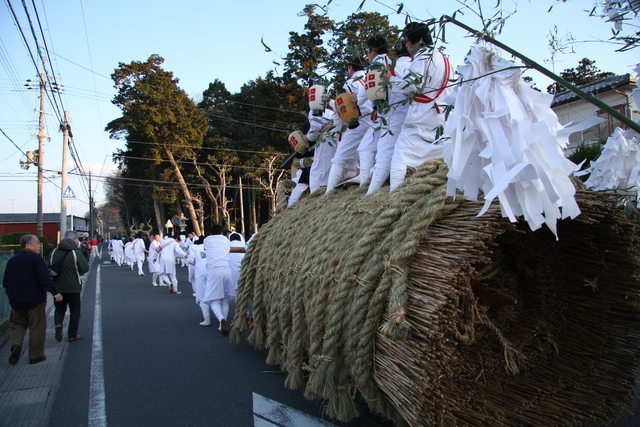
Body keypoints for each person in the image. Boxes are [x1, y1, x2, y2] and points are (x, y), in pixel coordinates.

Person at [384, 22, 454, 191]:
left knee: (401, 155)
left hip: (423, 114)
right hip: (443, 114)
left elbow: (413, 84)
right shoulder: (444, 58)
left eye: (409, 41)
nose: (407, 45)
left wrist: (390, 80)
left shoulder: (423, 56)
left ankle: (394, 193)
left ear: (417, 40)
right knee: (439, 152)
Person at [3, 235, 62, 365]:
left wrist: (11, 296)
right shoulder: (36, 259)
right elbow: (45, 278)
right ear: (27, 245)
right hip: (35, 299)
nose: (39, 245)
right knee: (37, 327)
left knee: (17, 325)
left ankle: (16, 345)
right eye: (36, 243)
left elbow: (6, 282)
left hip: (16, 300)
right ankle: (36, 355)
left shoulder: (12, 261)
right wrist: (55, 292)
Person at [367, 43, 413, 194]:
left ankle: (375, 190)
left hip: (394, 112)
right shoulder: (416, 64)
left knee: (385, 150)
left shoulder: (390, 66)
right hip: (414, 112)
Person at [325, 56, 369, 194]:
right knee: (369, 153)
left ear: (351, 68)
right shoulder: (370, 79)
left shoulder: (350, 83)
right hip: (376, 122)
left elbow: (343, 110)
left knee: (340, 158)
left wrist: (336, 126)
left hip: (359, 122)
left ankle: (329, 192)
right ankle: (368, 185)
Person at [50, 230, 90, 343]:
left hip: (57, 288)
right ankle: (72, 334)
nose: (78, 241)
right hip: (73, 287)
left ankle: (58, 324)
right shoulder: (75, 252)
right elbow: (84, 269)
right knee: (75, 311)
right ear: (73, 240)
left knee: (59, 309)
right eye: (77, 239)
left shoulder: (54, 252)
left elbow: (50, 268)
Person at [202, 224, 235, 336]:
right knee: (225, 299)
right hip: (226, 270)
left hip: (214, 271)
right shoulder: (226, 240)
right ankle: (222, 323)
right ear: (221, 232)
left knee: (214, 299)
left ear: (211, 232)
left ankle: (221, 319)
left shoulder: (207, 240)